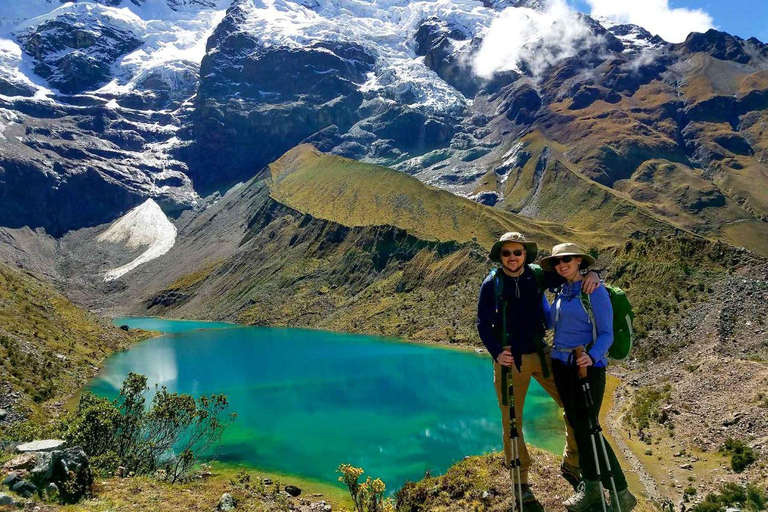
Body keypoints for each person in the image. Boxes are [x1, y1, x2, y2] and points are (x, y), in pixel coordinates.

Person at [476, 232, 600, 504]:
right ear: (500, 256)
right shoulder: (491, 284)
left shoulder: (537, 275)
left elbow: (570, 274)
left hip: (543, 353)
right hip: (511, 359)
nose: (512, 258)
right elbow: (483, 325)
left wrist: (593, 273)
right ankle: (520, 480)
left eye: (517, 252)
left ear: (525, 255)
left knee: (572, 406)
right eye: (507, 253)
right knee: (512, 421)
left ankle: (572, 463)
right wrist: (497, 353)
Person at [540, 243, 637, 512]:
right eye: (557, 262)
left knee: (590, 429)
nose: (562, 265)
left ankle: (621, 491)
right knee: (578, 426)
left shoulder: (594, 291)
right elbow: (550, 323)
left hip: (587, 369)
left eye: (567, 259)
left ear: (580, 261)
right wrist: (536, 294)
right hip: (561, 366)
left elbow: (606, 333)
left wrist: (592, 356)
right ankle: (592, 487)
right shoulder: (560, 292)